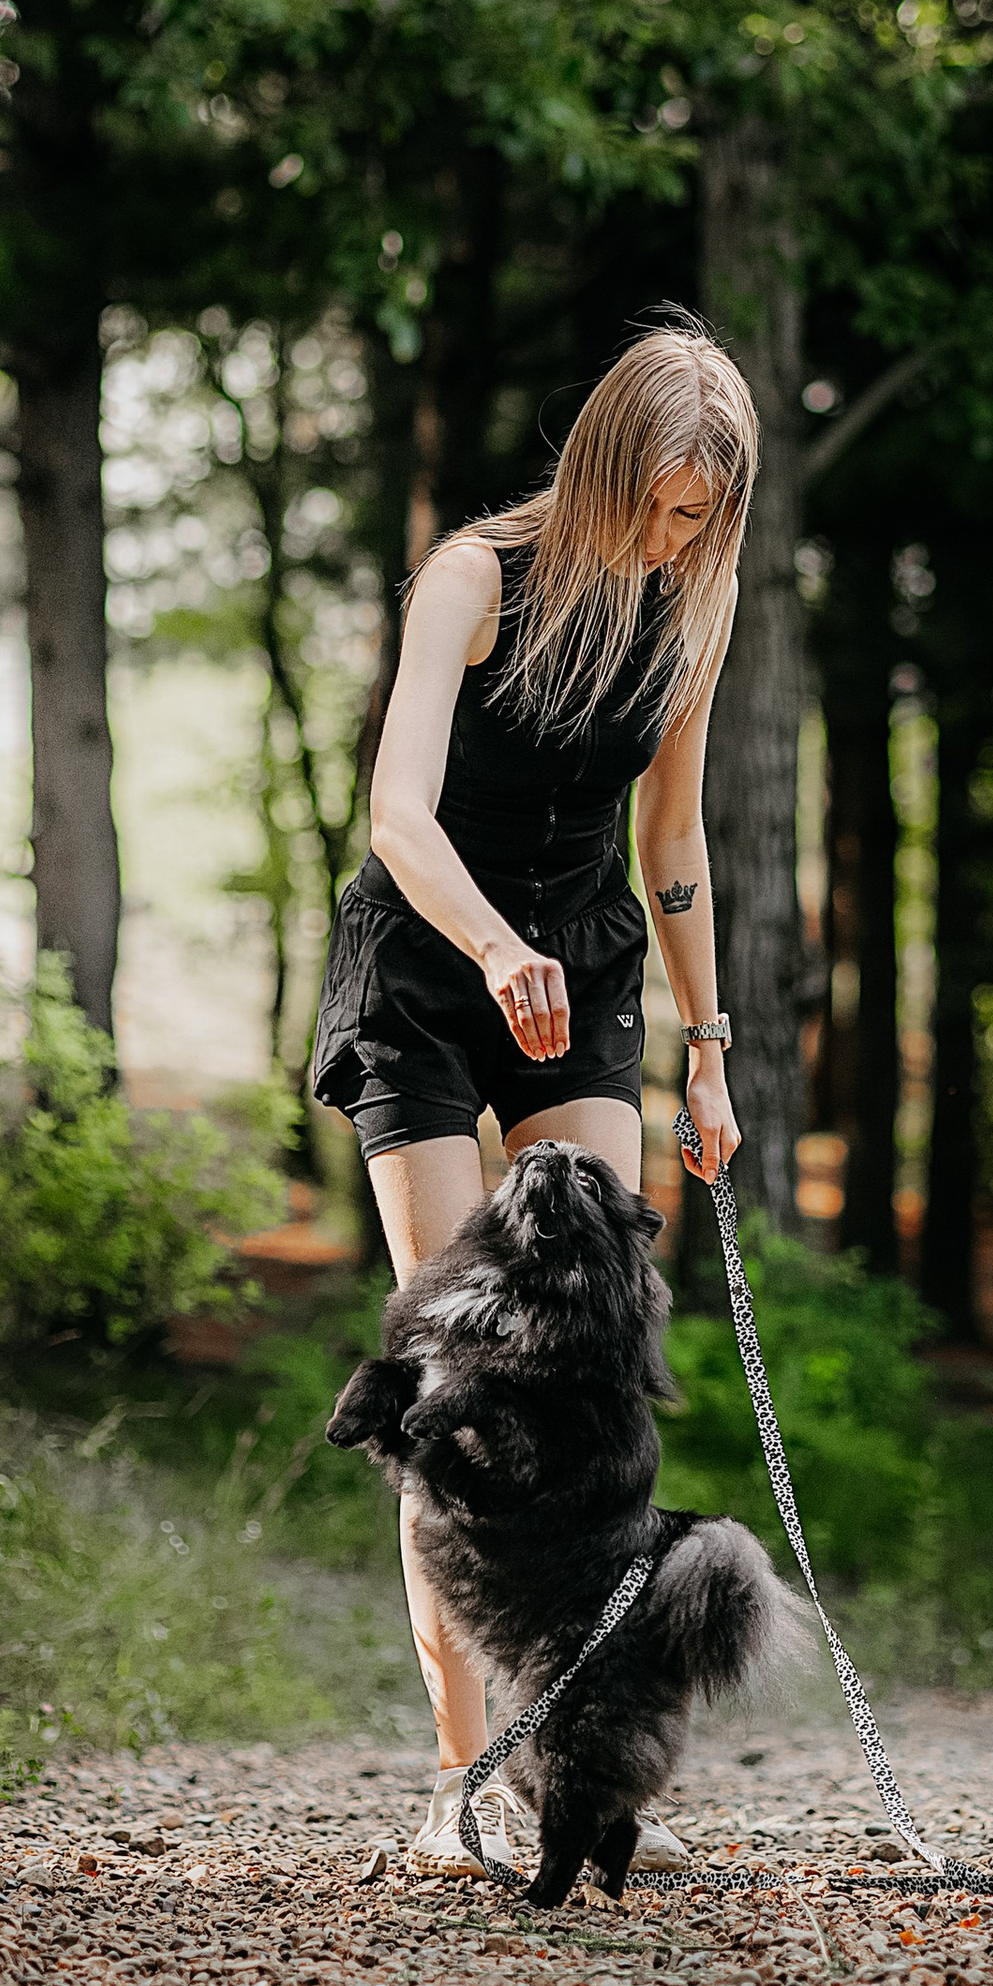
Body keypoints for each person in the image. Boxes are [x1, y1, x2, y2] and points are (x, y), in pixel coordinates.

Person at [309, 313, 755, 1872]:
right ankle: (458, 1776)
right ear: (600, 463)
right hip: (435, 971)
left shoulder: (691, 597)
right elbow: (397, 813)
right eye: (650, 502)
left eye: (698, 516)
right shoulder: (475, 578)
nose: (667, 535)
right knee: (461, 1393)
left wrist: (708, 1049)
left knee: (588, 1381)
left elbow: (676, 840)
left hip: (583, 969)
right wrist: (495, 949)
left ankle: (570, 1751)